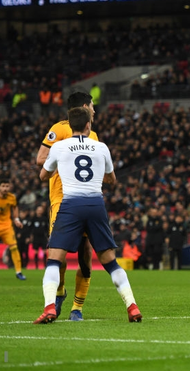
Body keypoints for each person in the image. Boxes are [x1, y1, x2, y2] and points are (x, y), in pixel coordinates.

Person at [35, 107, 142, 324]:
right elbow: (112, 180)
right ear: (88, 125)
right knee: (110, 261)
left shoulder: (59, 146)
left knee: (54, 259)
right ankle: (132, 306)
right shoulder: (101, 147)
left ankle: (49, 308)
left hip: (70, 204)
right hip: (95, 204)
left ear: (70, 125)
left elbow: (43, 175)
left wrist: (60, 168)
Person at [36, 92, 99, 321]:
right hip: (61, 200)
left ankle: (77, 308)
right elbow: (41, 158)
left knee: (85, 254)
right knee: (59, 256)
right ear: (84, 106)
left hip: (85, 199)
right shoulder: (60, 128)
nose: (95, 109)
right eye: (92, 105)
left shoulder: (94, 135)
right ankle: (60, 290)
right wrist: (64, 161)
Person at [30, 205, 49, 269]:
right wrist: (31, 236)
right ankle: (36, 266)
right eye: (38, 210)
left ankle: (45, 265)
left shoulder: (45, 219)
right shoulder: (33, 219)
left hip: (43, 237)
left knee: (44, 251)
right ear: (36, 211)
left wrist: (48, 236)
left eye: (41, 210)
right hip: (36, 237)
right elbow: (30, 228)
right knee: (36, 251)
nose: (39, 211)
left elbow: (47, 229)